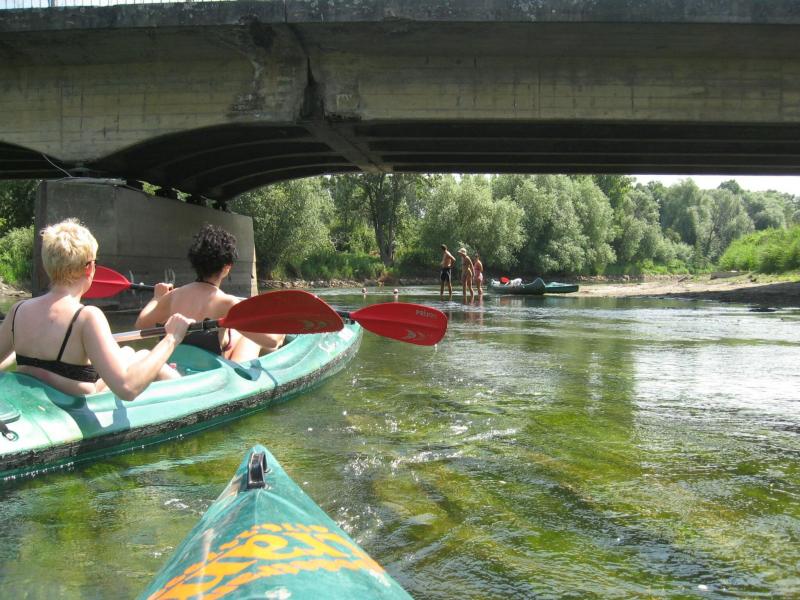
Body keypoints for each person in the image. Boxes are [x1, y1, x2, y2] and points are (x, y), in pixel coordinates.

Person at [0, 219, 192, 400]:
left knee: (128, 352)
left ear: (46, 264)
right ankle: (193, 397)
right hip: (78, 405)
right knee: (143, 356)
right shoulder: (86, 317)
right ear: (89, 268)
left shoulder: (18, 310)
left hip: (39, 400)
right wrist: (172, 337)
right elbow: (127, 389)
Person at [136, 224, 284, 362]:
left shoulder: (173, 296)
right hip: (209, 369)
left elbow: (141, 325)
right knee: (251, 339)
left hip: (176, 362)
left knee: (236, 333)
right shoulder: (227, 303)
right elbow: (271, 342)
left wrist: (156, 298)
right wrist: (280, 327)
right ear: (227, 267)